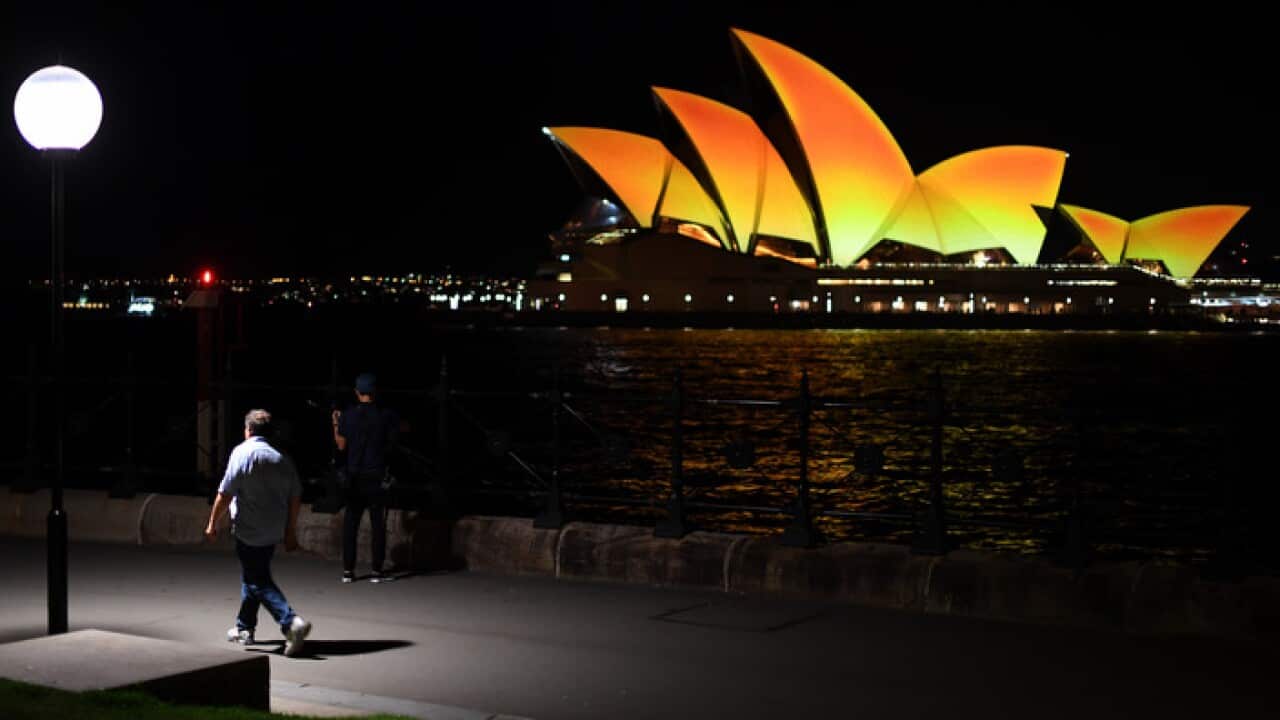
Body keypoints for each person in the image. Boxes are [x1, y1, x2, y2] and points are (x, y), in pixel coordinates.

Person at [205, 409, 312, 657]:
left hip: (248, 530)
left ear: (248, 430)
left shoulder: (242, 453)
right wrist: (290, 531)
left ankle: (290, 622)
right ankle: (245, 628)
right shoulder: (282, 458)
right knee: (254, 573)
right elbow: (296, 496)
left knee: (257, 580)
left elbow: (225, 493)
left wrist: (212, 523)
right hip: (273, 529)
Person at [332, 372, 400, 584]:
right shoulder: (384, 415)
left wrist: (335, 424)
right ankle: (376, 571)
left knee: (351, 522)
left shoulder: (348, 415)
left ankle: (348, 571)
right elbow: (393, 440)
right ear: (375, 392)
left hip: (354, 475)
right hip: (376, 473)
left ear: (356, 392)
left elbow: (341, 445)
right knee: (377, 523)